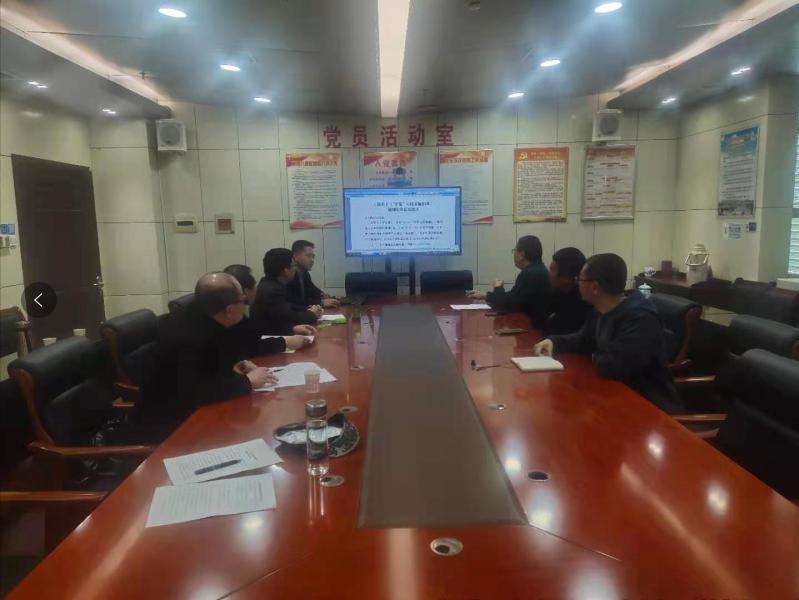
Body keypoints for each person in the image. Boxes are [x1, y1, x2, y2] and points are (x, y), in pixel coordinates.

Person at [532, 253, 681, 413]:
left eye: (580, 279)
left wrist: (594, 354)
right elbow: (584, 339)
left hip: (650, 407)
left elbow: (612, 365)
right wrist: (554, 341)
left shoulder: (640, 318)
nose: (577, 283)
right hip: (615, 398)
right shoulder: (602, 309)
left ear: (595, 287)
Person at [149, 273, 281, 422]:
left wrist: (237, 364)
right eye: (243, 301)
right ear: (229, 310)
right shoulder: (187, 337)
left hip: (197, 409)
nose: (245, 305)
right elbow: (194, 392)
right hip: (170, 421)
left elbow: (218, 360)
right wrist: (247, 382)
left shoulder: (210, 316)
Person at [467, 235, 551, 322]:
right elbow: (513, 298)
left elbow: (510, 304)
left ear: (522, 255)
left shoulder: (530, 274)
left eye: (515, 250)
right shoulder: (539, 270)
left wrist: (490, 293)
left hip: (532, 327)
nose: (514, 254)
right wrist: (496, 290)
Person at [224, 263, 316, 337]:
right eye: (254, 285)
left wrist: (292, 330)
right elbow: (250, 343)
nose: (257, 289)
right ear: (245, 292)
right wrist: (286, 342)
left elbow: (259, 331)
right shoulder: (271, 289)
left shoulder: (237, 312)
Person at [252, 248, 320, 331]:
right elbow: (290, 319)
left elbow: (290, 308)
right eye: (294, 266)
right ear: (285, 270)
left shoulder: (272, 285)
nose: (295, 269)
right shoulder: (272, 290)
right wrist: (312, 314)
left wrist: (308, 309)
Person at [540, 247, 591, 335]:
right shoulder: (554, 292)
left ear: (566, 277)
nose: (548, 274)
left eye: (552, 270)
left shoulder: (584, 303)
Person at [286, 240, 339, 310]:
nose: (312, 260)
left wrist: (322, 295)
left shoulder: (304, 273)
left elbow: (312, 290)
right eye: (308, 256)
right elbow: (295, 302)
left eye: (313, 256)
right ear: (295, 256)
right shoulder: (289, 276)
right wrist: (321, 302)